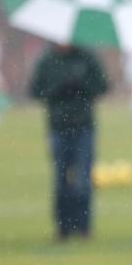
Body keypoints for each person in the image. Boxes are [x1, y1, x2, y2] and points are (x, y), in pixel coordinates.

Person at [29, 42, 108, 241]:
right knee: (60, 179)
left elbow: (103, 86)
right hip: (58, 127)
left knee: (83, 180)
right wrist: (57, 88)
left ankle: (83, 227)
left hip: (83, 126)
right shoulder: (47, 60)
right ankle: (62, 228)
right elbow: (35, 90)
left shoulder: (87, 57)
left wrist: (81, 86)